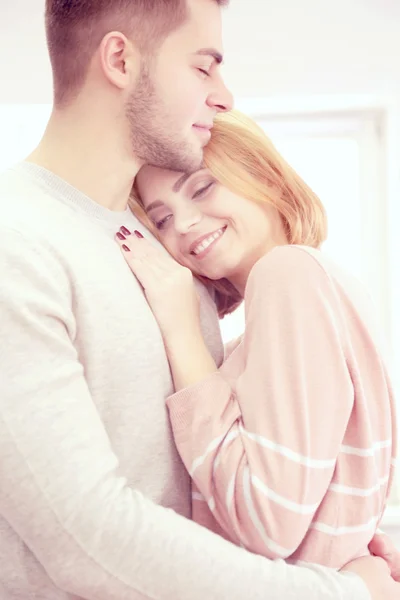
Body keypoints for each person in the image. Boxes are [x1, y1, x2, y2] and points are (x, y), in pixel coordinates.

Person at [0, 0, 398, 598]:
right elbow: (83, 540)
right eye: (203, 66)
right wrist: (341, 592)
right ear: (120, 59)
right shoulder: (17, 241)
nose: (224, 96)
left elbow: (242, 489)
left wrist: (341, 541)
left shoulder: (164, 264)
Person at [119, 110, 398, 567]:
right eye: (163, 219)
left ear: (262, 175)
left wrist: (182, 330)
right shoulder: (311, 292)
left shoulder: (290, 274)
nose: (184, 224)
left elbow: (270, 523)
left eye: (202, 187)